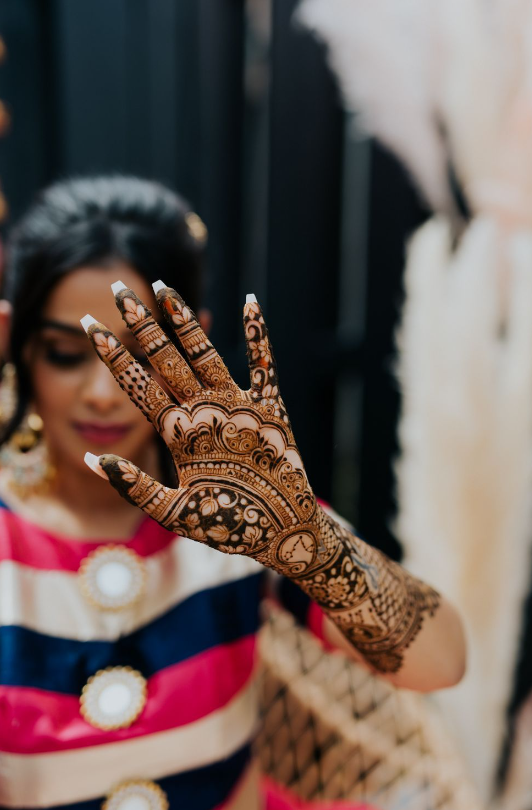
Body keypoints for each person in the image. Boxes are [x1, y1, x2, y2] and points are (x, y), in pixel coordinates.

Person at [0, 175, 465, 810]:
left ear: (193, 340)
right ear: (12, 343)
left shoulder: (235, 516)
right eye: (65, 354)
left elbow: (441, 662)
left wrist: (307, 544)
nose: (105, 392)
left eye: (140, 358)